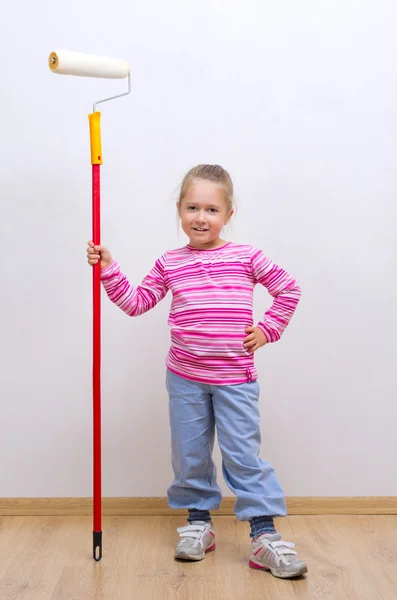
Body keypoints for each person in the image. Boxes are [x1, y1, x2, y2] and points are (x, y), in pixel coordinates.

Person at [86, 164, 307, 579]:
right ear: (179, 210)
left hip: (235, 379)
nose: (201, 217)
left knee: (243, 456)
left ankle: (264, 537)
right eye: (192, 208)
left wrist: (267, 329)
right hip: (185, 376)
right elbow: (136, 302)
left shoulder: (246, 256)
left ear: (228, 214)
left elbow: (289, 289)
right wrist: (108, 269)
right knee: (189, 455)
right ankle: (199, 525)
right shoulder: (170, 262)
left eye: (211, 209)